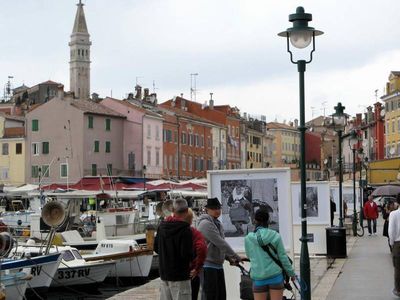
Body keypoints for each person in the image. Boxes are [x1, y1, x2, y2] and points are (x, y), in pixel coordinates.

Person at [245, 208, 295, 300]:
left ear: (255, 220)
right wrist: (291, 274)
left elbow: (249, 256)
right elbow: (283, 257)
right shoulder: (275, 235)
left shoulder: (248, 238)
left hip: (258, 277)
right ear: (268, 220)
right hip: (275, 277)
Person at [197, 197, 243, 300]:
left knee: (221, 296)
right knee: (210, 296)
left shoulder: (217, 223)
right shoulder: (205, 224)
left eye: (218, 208)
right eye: (214, 208)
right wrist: (236, 256)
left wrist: (228, 258)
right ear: (207, 210)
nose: (217, 210)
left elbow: (218, 245)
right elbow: (220, 243)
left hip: (217, 265)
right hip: (207, 266)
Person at [154, 198, 193, 300]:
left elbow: (156, 248)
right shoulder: (185, 229)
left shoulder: (161, 227)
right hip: (180, 276)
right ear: (186, 211)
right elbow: (186, 254)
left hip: (164, 274)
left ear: (173, 210)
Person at [183, 208, 207, 300]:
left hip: (173, 273)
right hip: (191, 271)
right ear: (191, 219)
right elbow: (202, 249)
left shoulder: (169, 229)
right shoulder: (194, 232)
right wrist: (197, 268)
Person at [389, 193, 400, 297]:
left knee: (398, 268)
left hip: (398, 244)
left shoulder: (394, 214)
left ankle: (398, 290)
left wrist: (392, 244)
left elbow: (391, 231)